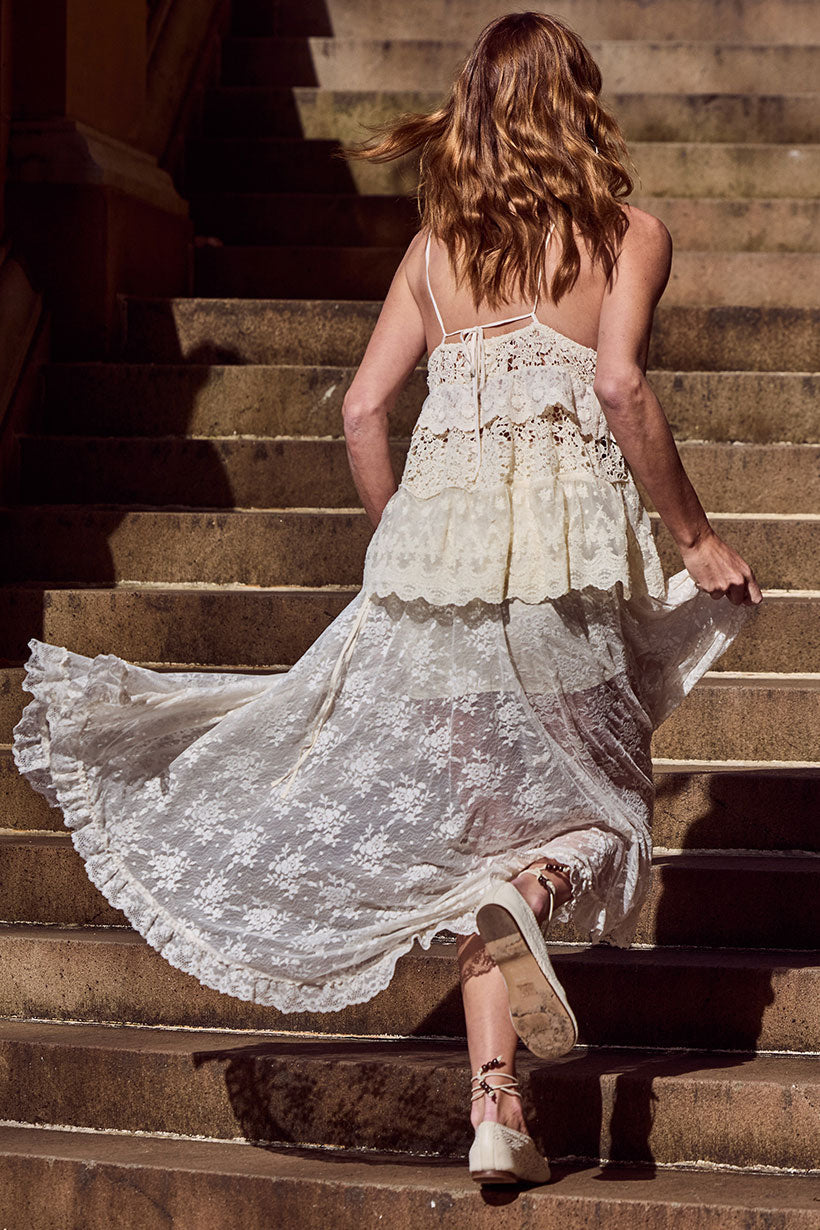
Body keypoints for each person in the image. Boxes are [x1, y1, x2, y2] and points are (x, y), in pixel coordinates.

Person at [13, 11, 761, 1187]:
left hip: (434, 584)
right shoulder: (627, 235)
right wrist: (697, 535)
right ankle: (535, 904)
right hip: (557, 578)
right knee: (595, 816)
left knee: (480, 837)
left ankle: (497, 1112)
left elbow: (362, 412)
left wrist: (406, 538)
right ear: (580, 106)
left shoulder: (430, 252)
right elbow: (619, 386)